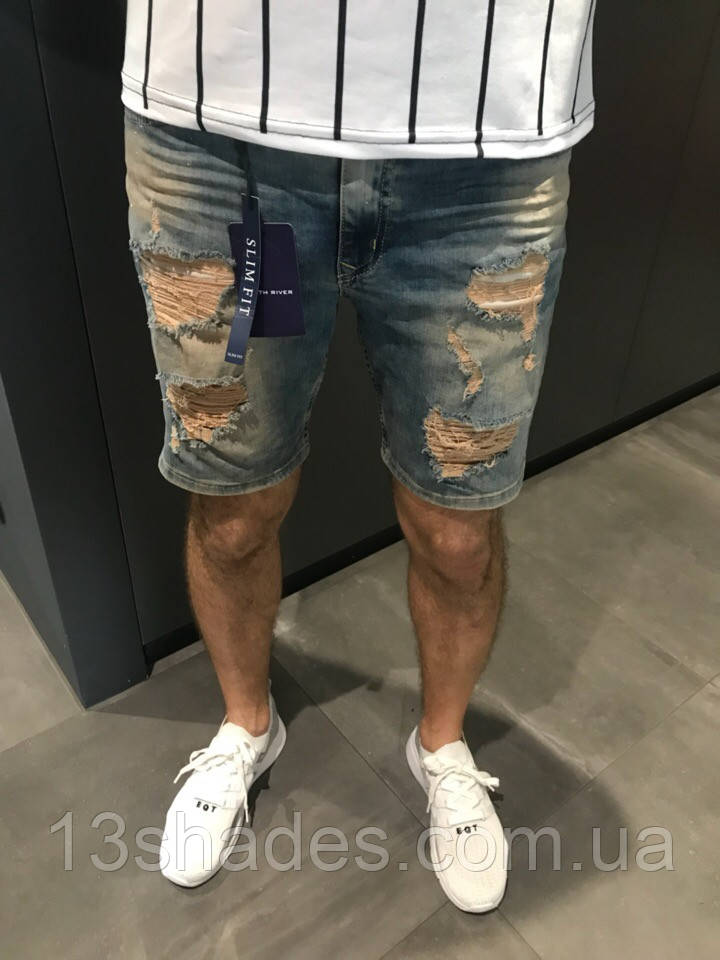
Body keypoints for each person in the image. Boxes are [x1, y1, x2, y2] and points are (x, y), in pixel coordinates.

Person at [122, 0, 597, 912]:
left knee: (458, 529)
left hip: (490, 129)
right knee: (233, 505)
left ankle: (442, 744)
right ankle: (245, 726)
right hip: (219, 116)